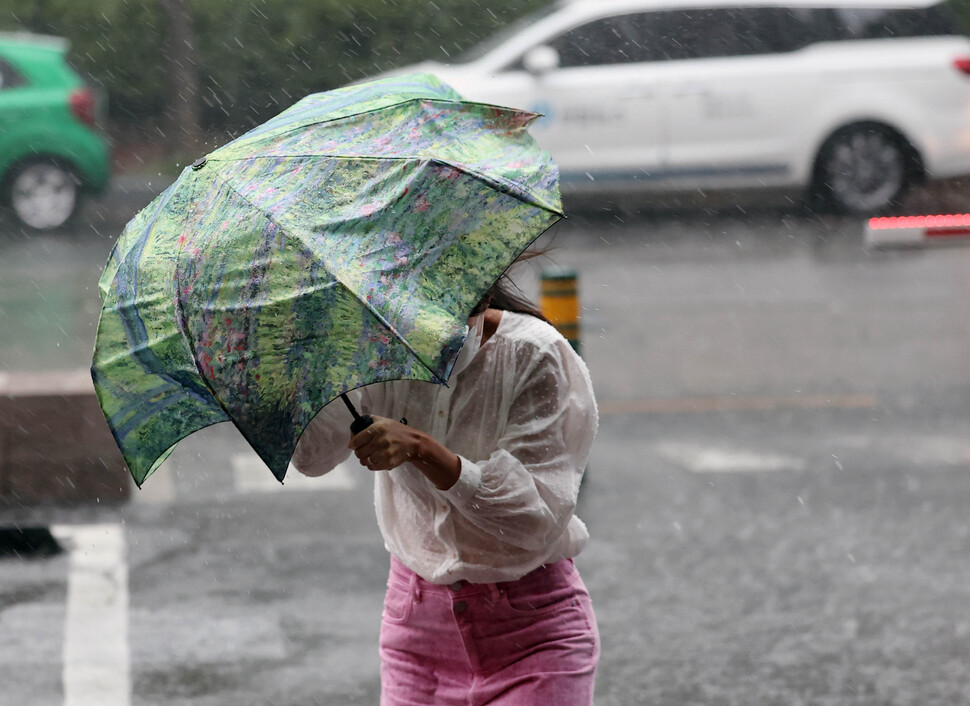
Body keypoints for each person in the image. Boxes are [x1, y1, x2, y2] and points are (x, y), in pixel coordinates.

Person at [292, 274, 600, 706]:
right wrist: (314, 365)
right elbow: (313, 458)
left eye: (446, 325)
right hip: (417, 634)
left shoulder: (533, 353)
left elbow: (533, 520)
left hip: (531, 633)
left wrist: (422, 449)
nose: (429, 343)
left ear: (483, 296)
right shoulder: (375, 345)